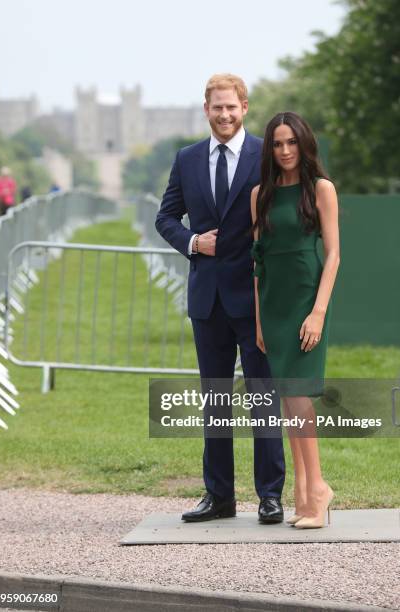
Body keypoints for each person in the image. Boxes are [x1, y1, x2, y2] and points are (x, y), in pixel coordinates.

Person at [155, 74, 285, 524]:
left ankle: (270, 495)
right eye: (217, 107)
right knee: (216, 399)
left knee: (264, 397)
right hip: (207, 299)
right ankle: (220, 497)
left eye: (232, 107)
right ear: (206, 109)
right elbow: (165, 217)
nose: (225, 115)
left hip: (254, 297)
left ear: (245, 107)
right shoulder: (187, 159)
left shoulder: (266, 155)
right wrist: (193, 242)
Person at [251, 111, 340, 529]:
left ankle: (318, 488)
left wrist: (318, 312)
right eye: (277, 143)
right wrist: (257, 322)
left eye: (291, 142)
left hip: (307, 302)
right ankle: (303, 494)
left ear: (303, 144)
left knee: (300, 398)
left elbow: (334, 255)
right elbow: (258, 264)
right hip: (273, 306)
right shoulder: (260, 195)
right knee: (288, 401)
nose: (284, 151)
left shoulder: (321, 189)